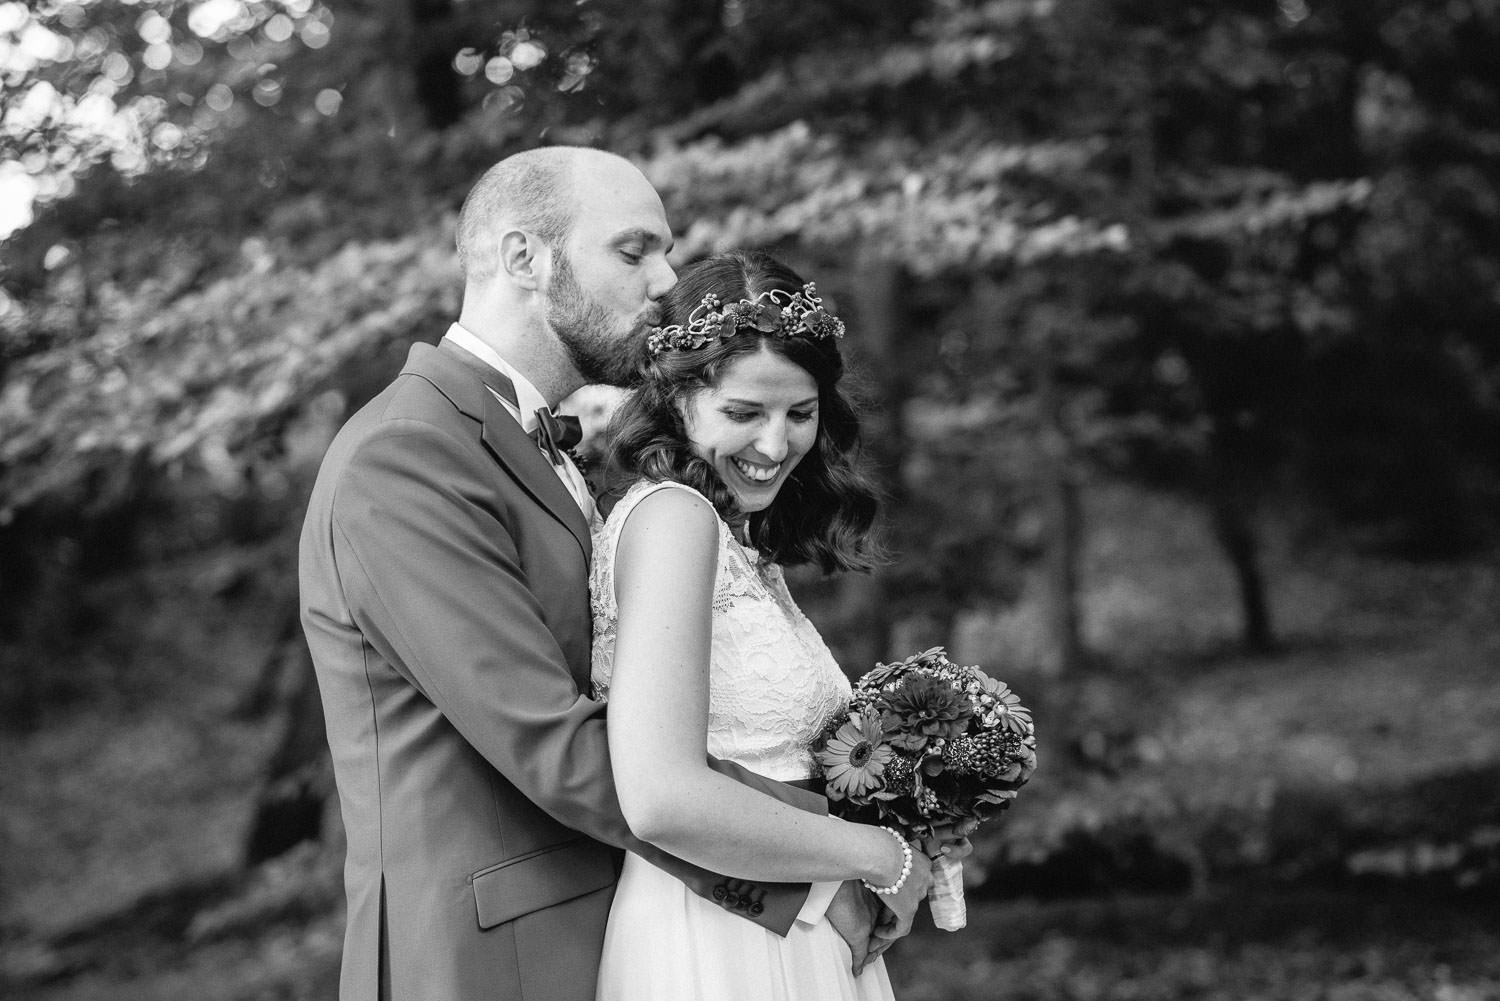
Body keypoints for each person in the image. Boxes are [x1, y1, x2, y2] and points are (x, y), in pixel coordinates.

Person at [299, 148, 872, 1001]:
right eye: (634, 250)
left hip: (614, 932)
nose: (665, 278)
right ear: (525, 258)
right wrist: (832, 857)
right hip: (484, 963)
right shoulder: (406, 455)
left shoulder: (558, 449)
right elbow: (557, 744)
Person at [589, 250, 945, 1001]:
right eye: (745, 413)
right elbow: (660, 797)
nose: (776, 445)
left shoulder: (729, 535)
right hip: (722, 945)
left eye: (800, 413)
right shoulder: (675, 521)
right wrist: (881, 855)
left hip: (778, 928)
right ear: (676, 398)